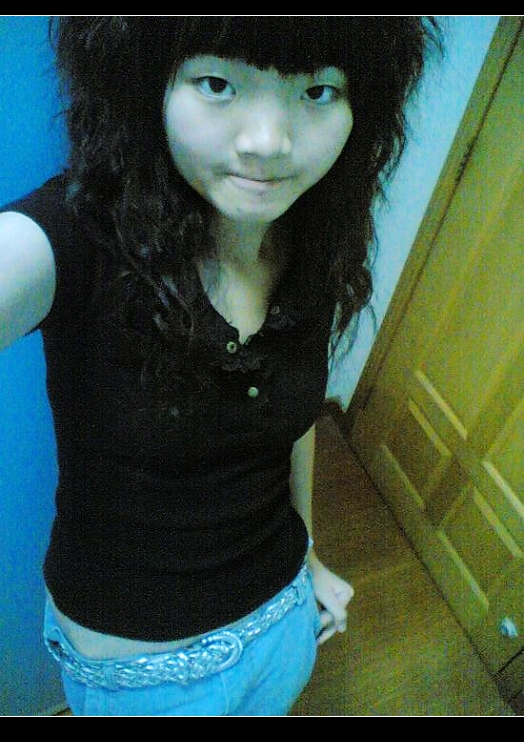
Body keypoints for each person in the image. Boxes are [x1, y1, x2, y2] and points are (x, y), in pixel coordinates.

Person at [0, 16, 440, 716]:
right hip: (144, 682)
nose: (268, 142)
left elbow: (292, 423)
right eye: (217, 82)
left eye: (317, 91)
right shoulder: (76, 240)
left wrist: (309, 555)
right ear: (149, 81)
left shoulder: (310, 241)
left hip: (285, 623)